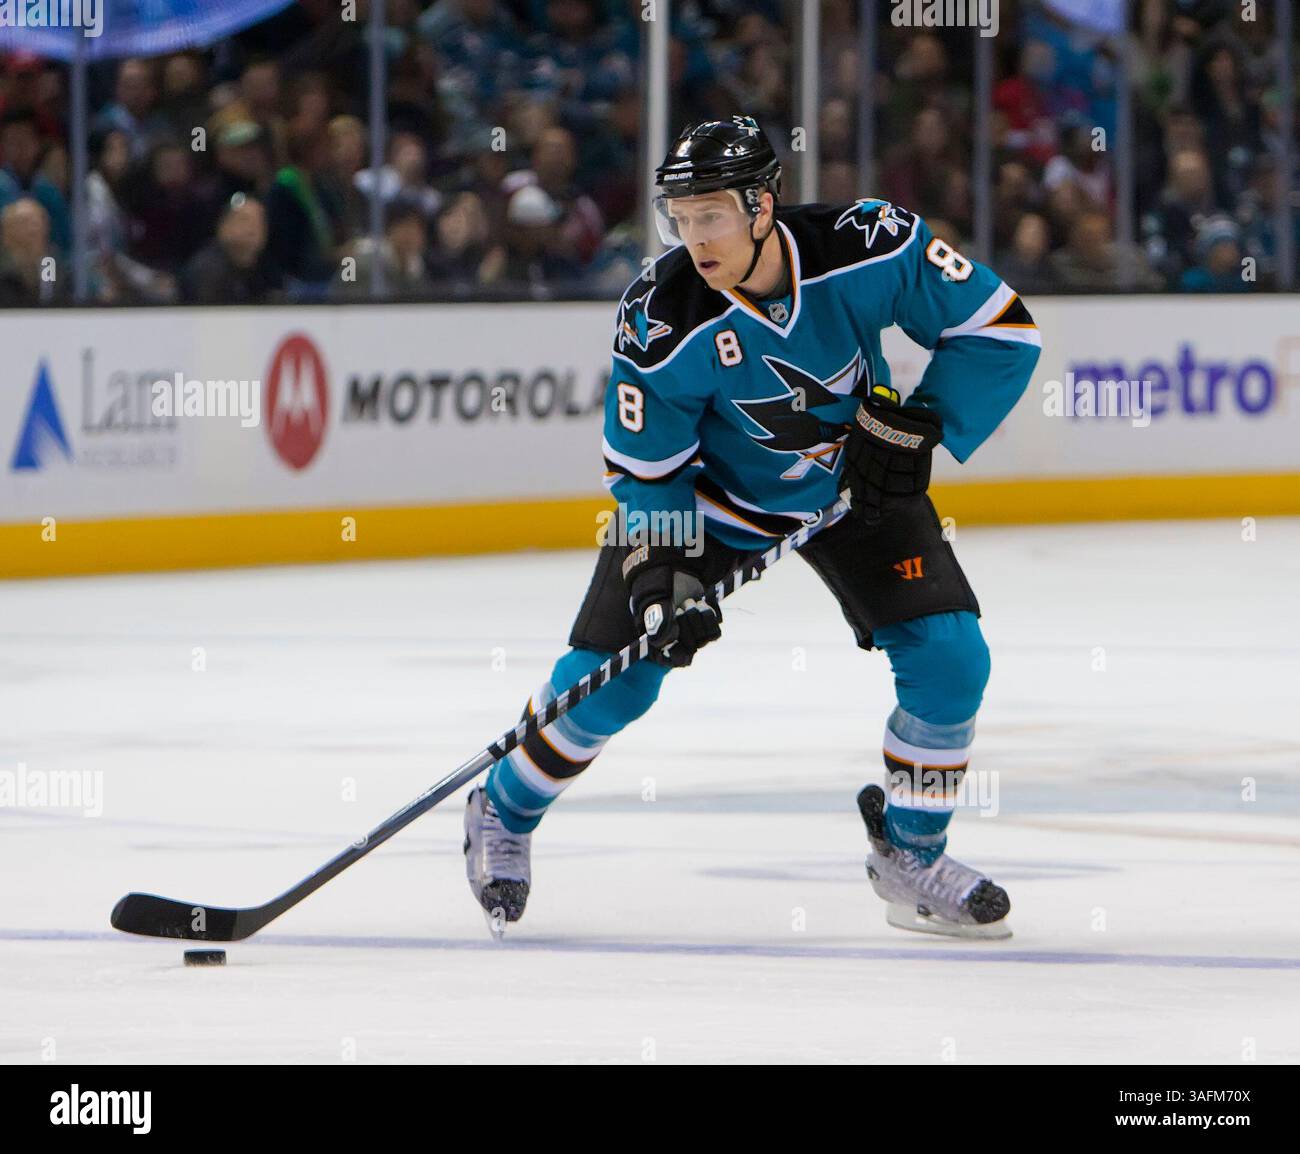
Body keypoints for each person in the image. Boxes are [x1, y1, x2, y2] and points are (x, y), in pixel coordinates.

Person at [463, 116, 1041, 940]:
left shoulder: (866, 245)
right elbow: (648, 471)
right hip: (708, 501)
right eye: (680, 218)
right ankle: (504, 807)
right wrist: (660, 579)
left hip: (851, 481)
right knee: (619, 679)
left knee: (951, 657)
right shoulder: (661, 317)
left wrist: (921, 426)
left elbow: (1001, 328)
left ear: (763, 205)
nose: (694, 238)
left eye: (712, 216)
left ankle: (911, 855)